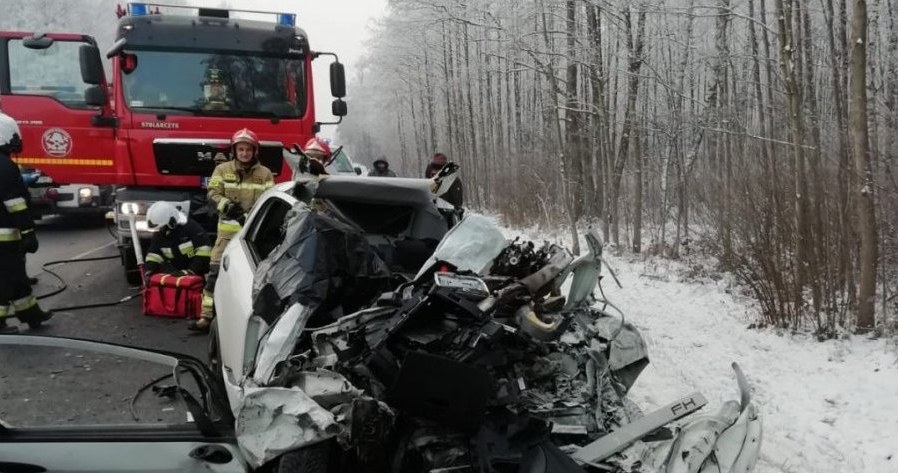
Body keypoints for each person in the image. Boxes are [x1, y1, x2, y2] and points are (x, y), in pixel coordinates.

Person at [191, 128, 274, 333]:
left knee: (256, 277)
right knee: (215, 274)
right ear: (234, 150)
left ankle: (252, 320)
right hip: (226, 235)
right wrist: (227, 206)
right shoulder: (222, 170)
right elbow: (212, 193)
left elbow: (271, 199)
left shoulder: (264, 174)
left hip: (254, 235)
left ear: (255, 151)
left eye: (248, 149)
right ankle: (206, 317)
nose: (244, 153)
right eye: (241, 149)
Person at [0, 111, 52, 334]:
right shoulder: (4, 166)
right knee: (5, 278)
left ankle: (31, 314)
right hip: (4, 235)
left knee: (17, 275)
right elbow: (16, 204)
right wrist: (28, 231)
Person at [144, 202, 212, 277]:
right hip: (175, 272)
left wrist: (190, 271)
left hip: (197, 272)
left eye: (162, 227)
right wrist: (150, 269)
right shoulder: (160, 233)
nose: (160, 230)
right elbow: (154, 254)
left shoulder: (192, 228)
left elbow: (204, 252)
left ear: (172, 222)